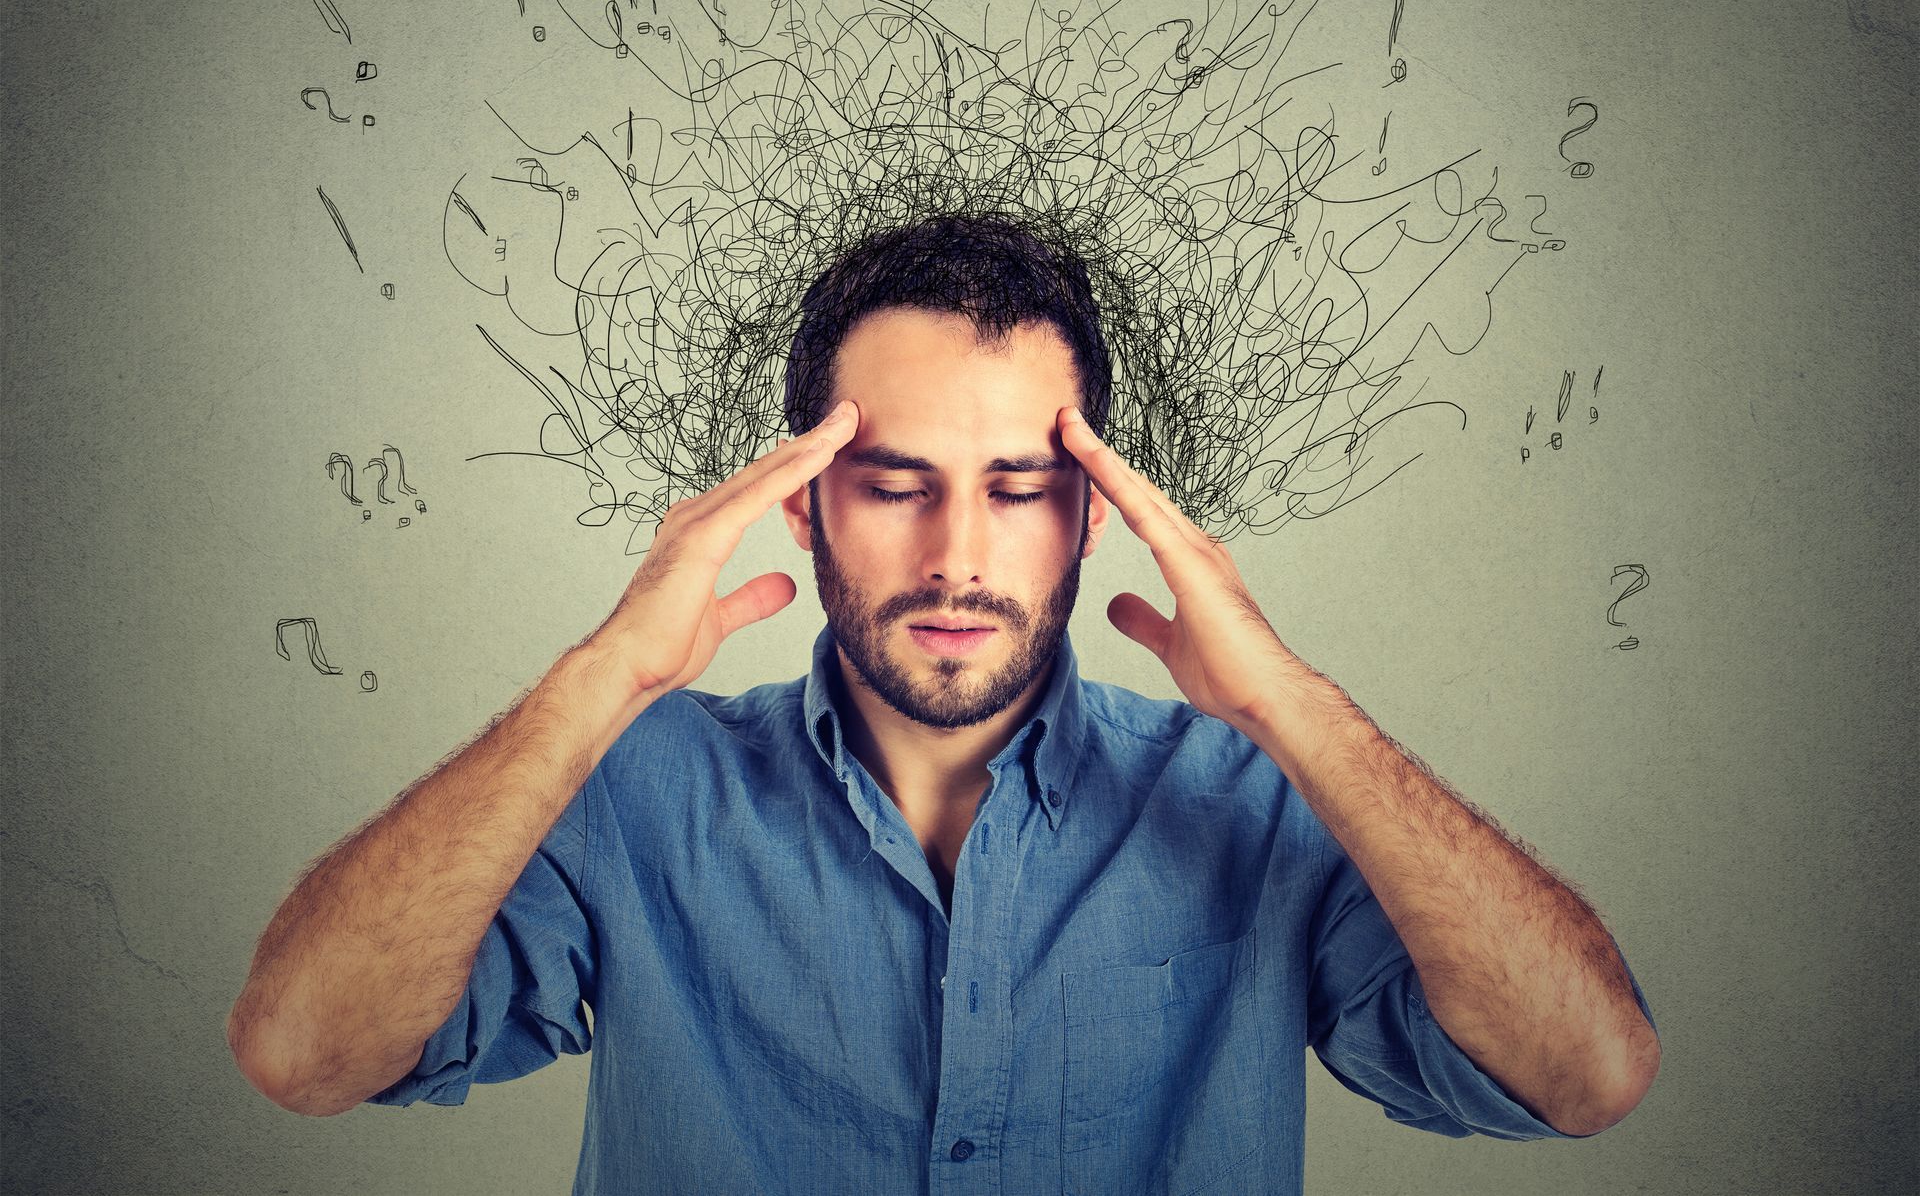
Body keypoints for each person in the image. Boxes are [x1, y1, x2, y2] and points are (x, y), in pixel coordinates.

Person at [226, 213, 1659, 1193]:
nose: (956, 555)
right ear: (801, 505)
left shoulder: (1249, 801)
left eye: (1020, 489)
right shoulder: (638, 789)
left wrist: (1288, 702)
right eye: (894, 483)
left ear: (1094, 514)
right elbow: (305, 1050)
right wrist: (602, 677)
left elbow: (1587, 1071)